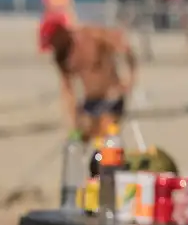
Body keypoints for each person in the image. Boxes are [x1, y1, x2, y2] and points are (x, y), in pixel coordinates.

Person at [39, 12, 138, 141]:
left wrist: (130, 80)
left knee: (106, 134)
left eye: (53, 42)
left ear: (60, 33)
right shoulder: (61, 56)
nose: (53, 47)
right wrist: (73, 121)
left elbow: (124, 48)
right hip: (89, 101)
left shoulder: (91, 35)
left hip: (112, 96)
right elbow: (67, 89)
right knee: (84, 137)